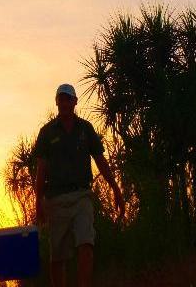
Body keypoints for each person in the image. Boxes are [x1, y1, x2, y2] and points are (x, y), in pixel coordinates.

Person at [34, 83, 125, 287]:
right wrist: (38, 202)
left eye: (68, 99)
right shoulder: (47, 133)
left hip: (81, 196)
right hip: (56, 199)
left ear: (75, 102)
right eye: (61, 99)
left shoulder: (86, 128)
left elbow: (100, 160)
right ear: (56, 102)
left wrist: (116, 188)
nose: (65, 102)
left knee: (86, 244)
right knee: (58, 256)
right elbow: (41, 169)